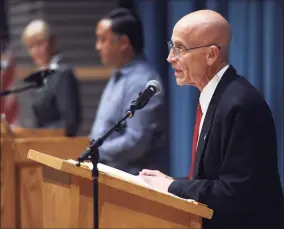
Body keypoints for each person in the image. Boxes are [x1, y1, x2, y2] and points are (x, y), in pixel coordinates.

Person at [139, 9, 284, 229]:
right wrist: (170, 183)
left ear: (211, 55)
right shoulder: (218, 97)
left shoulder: (240, 104)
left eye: (180, 48)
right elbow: (213, 180)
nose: (170, 58)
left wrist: (172, 186)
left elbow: (235, 192)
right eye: (172, 47)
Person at [90, 8, 166, 175]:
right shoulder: (118, 75)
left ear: (124, 42)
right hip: (108, 174)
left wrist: (95, 152)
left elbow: (136, 140)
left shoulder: (141, 80)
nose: (97, 47)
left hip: (130, 183)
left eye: (103, 40)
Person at [21, 19, 81, 136]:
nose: (35, 51)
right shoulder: (41, 76)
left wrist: (38, 134)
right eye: (31, 46)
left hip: (60, 147)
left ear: (52, 41)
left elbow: (70, 122)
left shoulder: (63, 74)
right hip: (42, 145)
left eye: (39, 43)